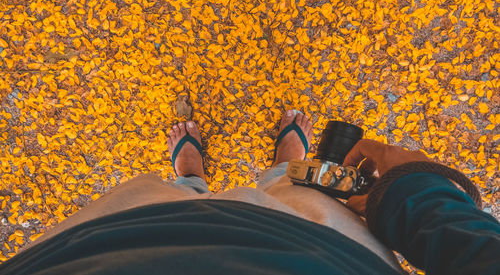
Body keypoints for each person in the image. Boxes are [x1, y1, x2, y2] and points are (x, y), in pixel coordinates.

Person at [1, 110, 499, 275]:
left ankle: (191, 172)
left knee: (164, 197)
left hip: (102, 247)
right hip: (318, 251)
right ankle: (284, 165)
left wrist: (413, 189)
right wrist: (408, 191)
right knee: (295, 188)